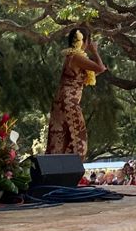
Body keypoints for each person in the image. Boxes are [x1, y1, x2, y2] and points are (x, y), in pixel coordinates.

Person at [45, 28, 106, 157]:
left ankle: (59, 168)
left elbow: (96, 72)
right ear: (82, 41)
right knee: (79, 138)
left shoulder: (71, 56)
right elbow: (101, 67)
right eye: (88, 41)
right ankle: (71, 166)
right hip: (68, 102)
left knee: (62, 136)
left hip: (61, 100)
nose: (89, 44)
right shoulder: (77, 57)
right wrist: (95, 52)